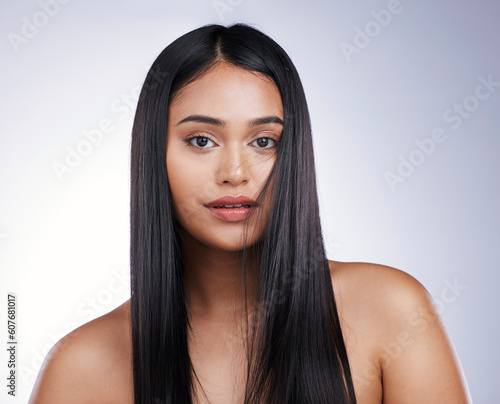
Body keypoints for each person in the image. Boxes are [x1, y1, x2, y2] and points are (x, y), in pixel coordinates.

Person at [28, 23, 471, 404]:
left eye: (264, 141)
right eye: (202, 140)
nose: (235, 173)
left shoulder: (390, 311)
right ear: (153, 153)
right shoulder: (79, 368)